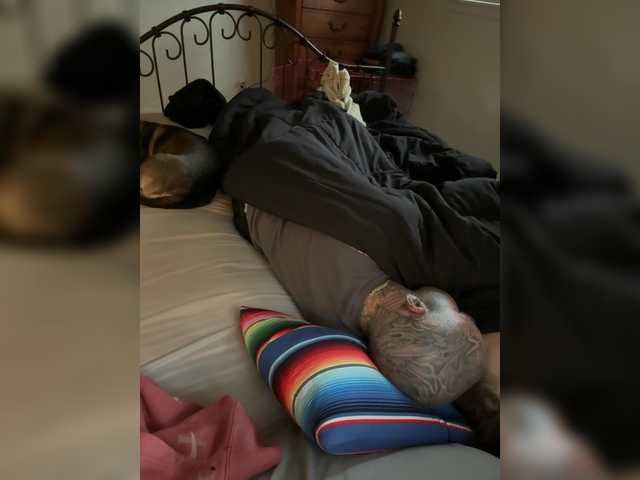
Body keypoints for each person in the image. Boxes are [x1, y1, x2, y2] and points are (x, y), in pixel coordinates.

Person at [242, 203, 500, 454]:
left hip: (262, 203)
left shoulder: (363, 256)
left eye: (459, 313)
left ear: (415, 305)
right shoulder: (333, 320)